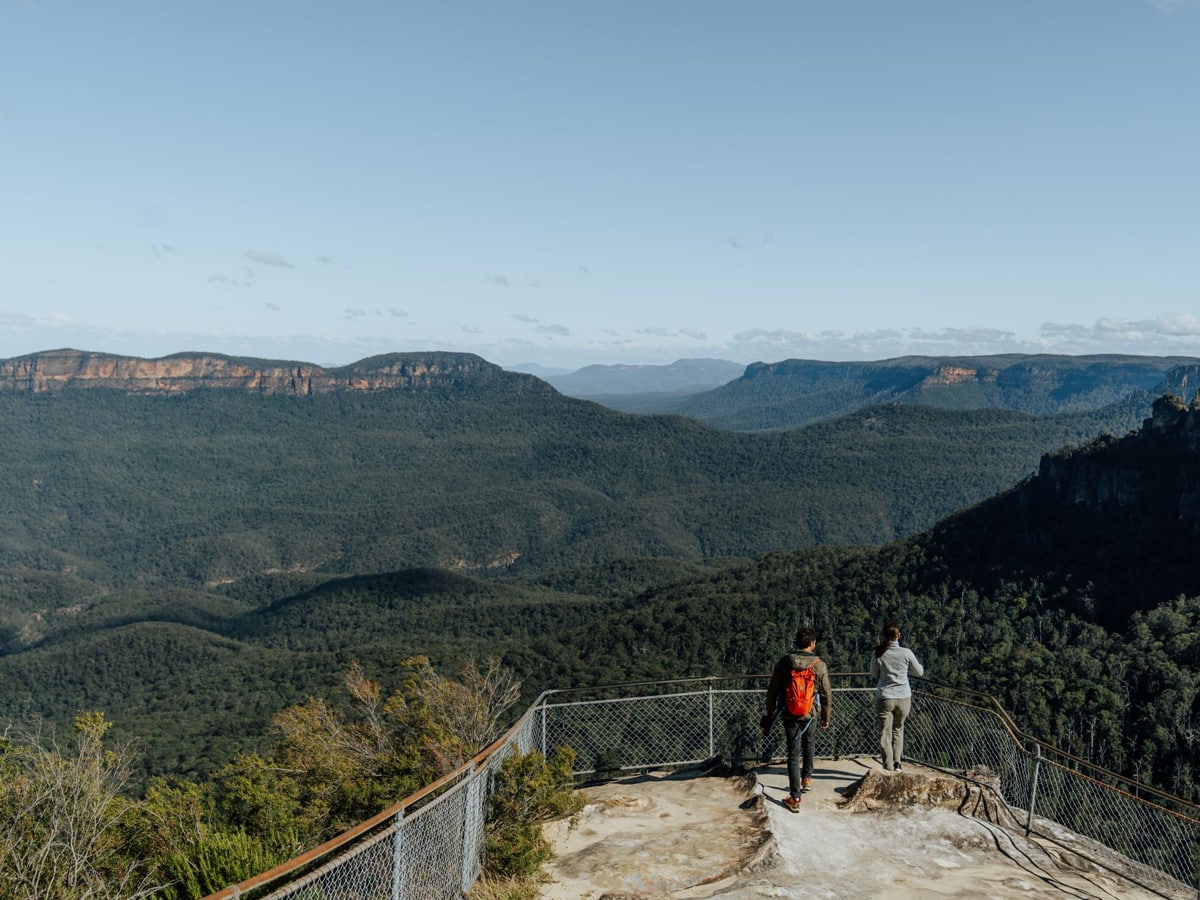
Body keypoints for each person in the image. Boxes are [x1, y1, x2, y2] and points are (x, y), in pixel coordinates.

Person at [763, 627, 832, 812]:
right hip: (810, 714)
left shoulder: (785, 662)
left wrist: (771, 711)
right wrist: (825, 716)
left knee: (793, 755)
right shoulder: (819, 665)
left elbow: (773, 689)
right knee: (809, 744)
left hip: (789, 713)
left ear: (796, 643)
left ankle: (795, 798)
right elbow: (826, 694)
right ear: (812, 643)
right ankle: (807, 778)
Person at [870, 622, 924, 773]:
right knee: (898, 729)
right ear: (898, 636)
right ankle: (897, 763)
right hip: (903, 697)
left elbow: (874, 674)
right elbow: (919, 672)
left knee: (885, 733)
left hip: (885, 697)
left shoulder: (879, 653)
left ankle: (888, 766)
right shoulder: (906, 653)